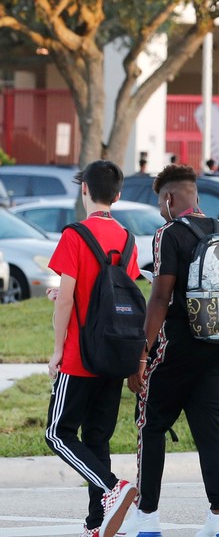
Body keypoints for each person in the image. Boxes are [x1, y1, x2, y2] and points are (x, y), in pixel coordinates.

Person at [121, 164, 219, 537]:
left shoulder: (168, 234)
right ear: (196, 195)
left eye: (159, 202)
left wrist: (141, 354)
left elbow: (160, 297)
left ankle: (148, 519)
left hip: (177, 345)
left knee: (151, 425)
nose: (160, 209)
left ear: (169, 199)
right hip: (218, 344)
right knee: (210, 429)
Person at [45, 160, 140, 537]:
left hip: (79, 355)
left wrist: (56, 349)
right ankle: (96, 522)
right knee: (96, 438)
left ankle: (113, 487)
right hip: (114, 354)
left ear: (84, 189)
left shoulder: (75, 235)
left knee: (57, 432)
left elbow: (68, 300)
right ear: (117, 196)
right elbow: (114, 294)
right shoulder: (128, 239)